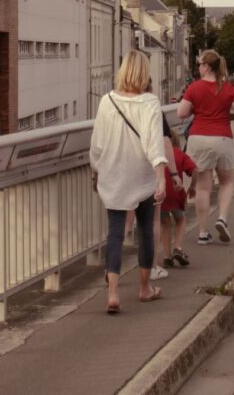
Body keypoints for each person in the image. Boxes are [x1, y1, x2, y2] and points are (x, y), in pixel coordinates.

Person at [90, 50, 170, 312]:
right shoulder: (150, 103)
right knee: (145, 230)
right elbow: (155, 143)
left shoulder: (107, 101)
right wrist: (161, 178)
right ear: (145, 73)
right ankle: (145, 289)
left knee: (115, 231)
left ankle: (113, 294)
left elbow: (98, 143)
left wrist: (96, 170)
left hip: (114, 172)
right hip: (142, 174)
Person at [178, 49, 234, 245]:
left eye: (200, 64)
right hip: (222, 138)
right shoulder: (228, 88)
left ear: (207, 67)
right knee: (227, 182)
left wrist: (197, 109)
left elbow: (181, 113)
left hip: (198, 138)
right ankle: (222, 218)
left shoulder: (194, 87)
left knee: (202, 187)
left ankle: (202, 232)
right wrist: (228, 114)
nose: (198, 67)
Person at [160, 125, 196, 268]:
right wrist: (193, 186)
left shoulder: (156, 155)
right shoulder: (180, 154)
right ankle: (178, 248)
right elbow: (195, 169)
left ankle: (167, 256)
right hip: (176, 193)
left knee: (164, 224)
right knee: (180, 220)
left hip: (160, 194)